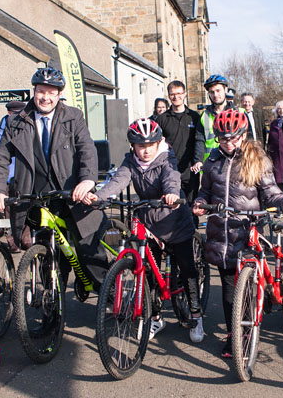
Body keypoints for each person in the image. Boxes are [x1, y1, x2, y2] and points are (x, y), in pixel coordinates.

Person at [191, 109, 283, 358]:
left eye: (233, 137)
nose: (228, 143)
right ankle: (234, 334)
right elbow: (205, 192)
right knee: (229, 288)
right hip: (221, 233)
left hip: (247, 229)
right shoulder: (212, 160)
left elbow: (271, 192)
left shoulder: (257, 158)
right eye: (223, 138)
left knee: (248, 287)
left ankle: (249, 332)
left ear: (243, 135)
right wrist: (200, 202)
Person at [85, 118, 204, 343]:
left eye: (150, 145)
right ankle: (156, 317)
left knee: (187, 268)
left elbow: (172, 178)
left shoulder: (167, 158)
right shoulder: (130, 161)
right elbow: (118, 181)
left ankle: (196, 316)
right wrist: (99, 197)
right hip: (149, 222)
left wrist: (171, 195)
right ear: (133, 146)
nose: (146, 150)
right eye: (141, 146)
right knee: (148, 271)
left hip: (175, 220)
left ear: (158, 142)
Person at [0, 67, 105, 280]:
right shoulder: (16, 122)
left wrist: (87, 180)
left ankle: (106, 293)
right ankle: (51, 303)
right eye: (41, 91)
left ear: (59, 95)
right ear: (34, 91)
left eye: (52, 93)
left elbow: (87, 149)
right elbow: (0, 158)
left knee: (88, 248)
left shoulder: (73, 116)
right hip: (36, 195)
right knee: (47, 253)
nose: (46, 98)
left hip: (70, 191)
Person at [155, 80, 202, 202]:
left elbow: (199, 141)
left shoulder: (194, 117)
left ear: (185, 94)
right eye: (172, 94)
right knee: (171, 207)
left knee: (191, 207)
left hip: (190, 171)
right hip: (169, 170)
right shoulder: (162, 119)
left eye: (179, 93)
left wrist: (198, 160)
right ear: (169, 96)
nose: (176, 97)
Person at [193, 74, 232, 170]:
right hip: (211, 165)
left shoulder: (238, 113)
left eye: (218, 91)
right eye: (212, 92)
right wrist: (198, 160)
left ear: (225, 90)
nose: (215, 95)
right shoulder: (204, 116)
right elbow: (200, 140)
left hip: (233, 163)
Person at [266, 101, 283, 193]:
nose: (281, 111)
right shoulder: (273, 123)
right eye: (279, 109)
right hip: (277, 158)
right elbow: (270, 140)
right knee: (279, 183)